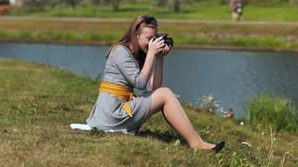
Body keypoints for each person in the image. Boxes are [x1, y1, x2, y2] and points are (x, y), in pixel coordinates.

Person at [86, 15, 225, 152]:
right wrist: (151, 54)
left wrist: (159, 59)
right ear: (136, 34)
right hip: (112, 113)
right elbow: (140, 83)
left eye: (154, 38)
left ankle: (196, 142)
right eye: (149, 39)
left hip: (119, 109)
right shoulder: (120, 52)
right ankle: (197, 144)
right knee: (165, 93)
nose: (152, 42)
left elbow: (153, 89)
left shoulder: (138, 53)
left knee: (163, 92)